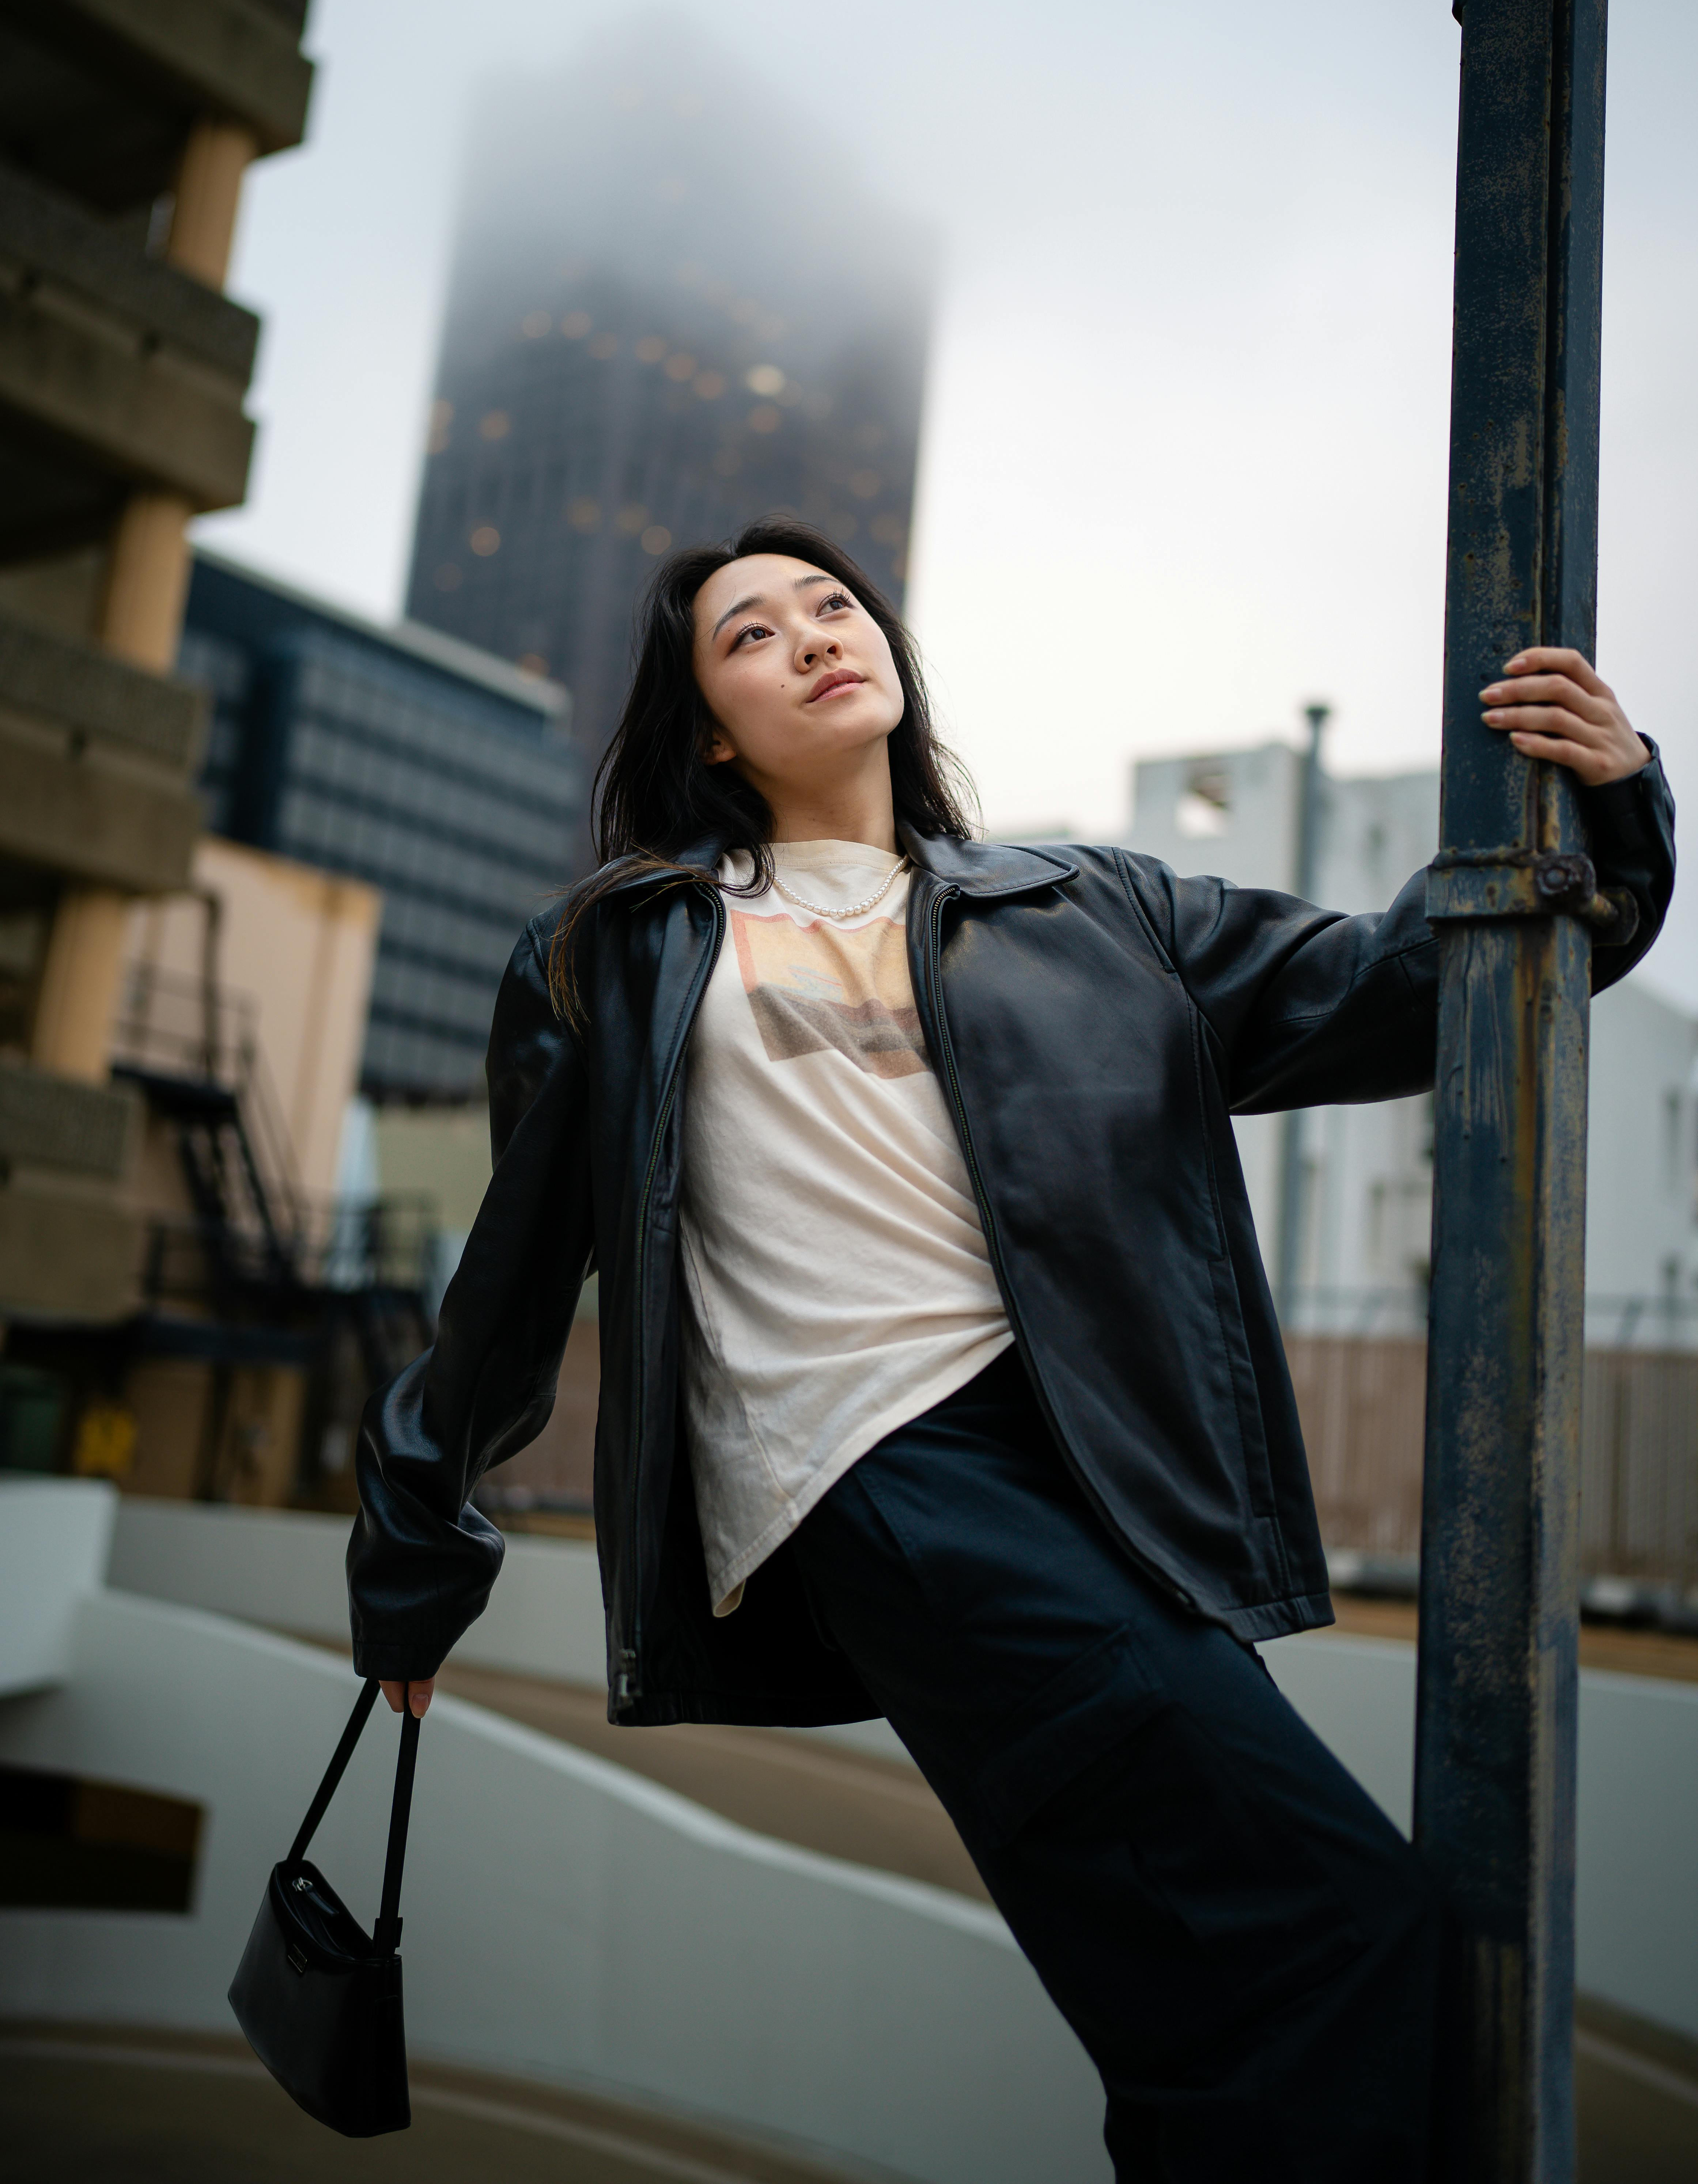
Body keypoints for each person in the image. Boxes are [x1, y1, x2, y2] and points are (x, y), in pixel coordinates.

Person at [349, 519, 1674, 2182]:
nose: (816, 635)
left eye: (834, 605)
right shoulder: (619, 949)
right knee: (1332, 1935)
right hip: (875, 1471)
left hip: (1109, 1482)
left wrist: (1612, 802)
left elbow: (1405, 986)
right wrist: (412, 1550)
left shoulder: (1084, 906)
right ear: (706, 727)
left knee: (1208, 2005)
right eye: (752, 635)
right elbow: (513, 1278)